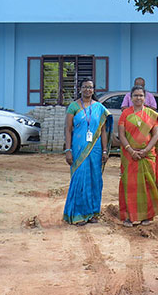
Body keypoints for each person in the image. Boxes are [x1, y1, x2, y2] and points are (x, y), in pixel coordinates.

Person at [62, 79, 111, 225]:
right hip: (78, 149)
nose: (87, 90)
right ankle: (78, 214)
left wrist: (104, 151)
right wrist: (68, 150)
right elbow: (68, 130)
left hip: (96, 149)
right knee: (80, 179)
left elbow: (103, 131)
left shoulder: (99, 108)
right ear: (80, 89)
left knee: (95, 180)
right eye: (85, 87)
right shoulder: (73, 106)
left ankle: (93, 213)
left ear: (94, 90)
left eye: (90, 87)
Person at [118, 85, 158, 226]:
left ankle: (147, 216)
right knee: (129, 185)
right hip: (129, 155)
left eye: (141, 95)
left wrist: (146, 150)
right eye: (135, 95)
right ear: (131, 98)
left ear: (145, 98)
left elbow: (156, 135)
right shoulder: (125, 114)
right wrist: (131, 151)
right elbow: (121, 135)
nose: (138, 98)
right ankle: (129, 216)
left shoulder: (151, 114)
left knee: (148, 185)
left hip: (147, 155)